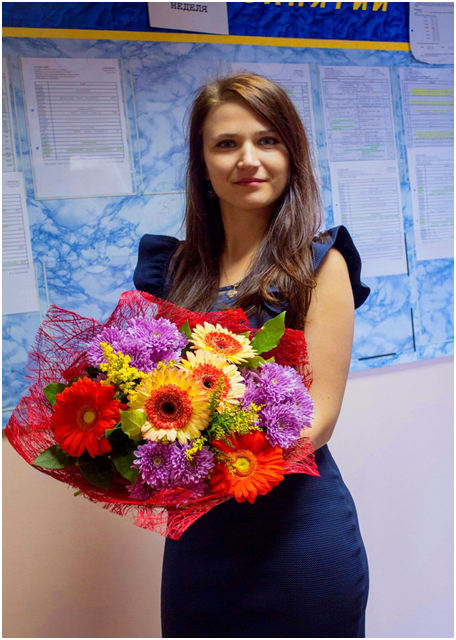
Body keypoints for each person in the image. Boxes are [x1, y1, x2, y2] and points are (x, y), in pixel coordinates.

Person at [134, 71, 371, 638]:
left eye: (267, 140)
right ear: (202, 164)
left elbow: (318, 420)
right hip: (199, 540)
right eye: (226, 143)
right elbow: (144, 392)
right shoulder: (174, 270)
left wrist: (199, 453)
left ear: (291, 154)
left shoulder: (318, 264)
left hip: (295, 539)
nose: (248, 159)